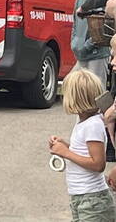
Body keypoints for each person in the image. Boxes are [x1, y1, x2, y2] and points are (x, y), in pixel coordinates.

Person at [49, 69, 115, 220]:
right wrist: (64, 146)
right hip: (81, 197)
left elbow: (98, 164)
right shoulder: (83, 122)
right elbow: (84, 153)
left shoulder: (92, 125)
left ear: (74, 98)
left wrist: (66, 153)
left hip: (93, 200)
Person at [73, 0, 111, 86]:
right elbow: (75, 23)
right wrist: (74, 44)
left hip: (97, 55)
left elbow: (104, 27)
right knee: (74, 87)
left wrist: (87, 46)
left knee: (97, 89)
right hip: (80, 54)